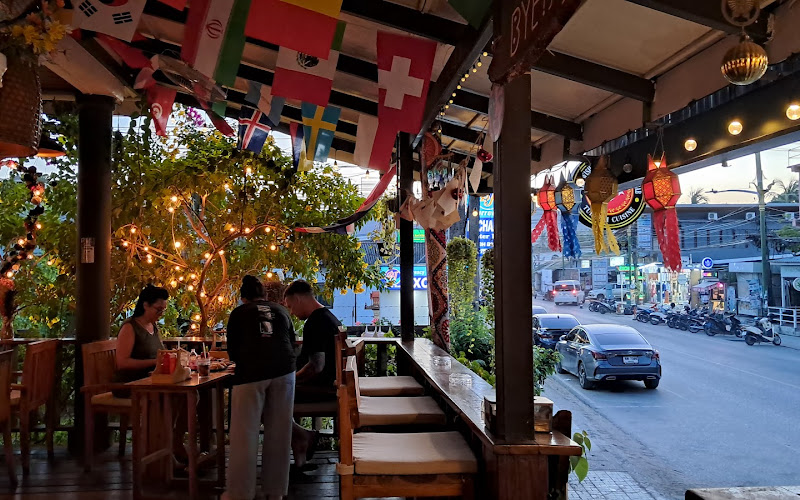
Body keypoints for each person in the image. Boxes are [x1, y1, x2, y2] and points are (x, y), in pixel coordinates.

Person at [223, 276, 296, 500]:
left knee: (244, 434)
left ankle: (239, 494)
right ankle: (275, 492)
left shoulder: (239, 313)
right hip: (285, 370)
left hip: (251, 372)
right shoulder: (281, 311)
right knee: (280, 433)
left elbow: (233, 351)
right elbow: (291, 343)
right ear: (264, 295)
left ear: (243, 298)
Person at [283, 280, 340, 469]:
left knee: (270, 395)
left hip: (322, 388)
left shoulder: (315, 323)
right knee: (274, 392)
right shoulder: (329, 318)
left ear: (299, 299)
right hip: (332, 384)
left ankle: (303, 437)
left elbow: (316, 366)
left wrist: (291, 379)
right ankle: (301, 444)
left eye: (290, 306)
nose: (291, 312)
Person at [114, 285, 169, 389]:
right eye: (158, 309)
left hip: (150, 380)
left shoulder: (153, 326)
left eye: (163, 310)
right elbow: (122, 363)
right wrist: (154, 362)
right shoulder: (130, 327)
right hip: (131, 383)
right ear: (145, 305)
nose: (161, 314)